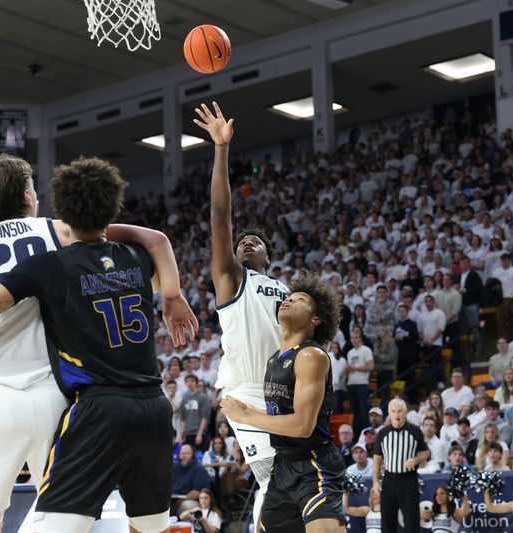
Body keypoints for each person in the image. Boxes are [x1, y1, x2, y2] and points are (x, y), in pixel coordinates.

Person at [0, 154, 190, 532]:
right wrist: (171, 294)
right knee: (72, 521)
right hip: (60, 399)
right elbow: (151, 239)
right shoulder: (61, 230)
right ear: (29, 196)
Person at [194, 101, 288, 526]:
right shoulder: (232, 278)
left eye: (256, 241)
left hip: (281, 392)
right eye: (241, 241)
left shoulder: (289, 291)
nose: (246, 242)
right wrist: (221, 150)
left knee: (289, 481)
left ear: (270, 255)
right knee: (272, 477)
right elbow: (220, 216)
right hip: (244, 391)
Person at [220, 274, 345, 532]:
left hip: (314, 463)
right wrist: (252, 411)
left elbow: (302, 426)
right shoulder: (274, 359)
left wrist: (246, 415)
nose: (289, 300)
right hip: (284, 465)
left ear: (315, 319)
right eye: (289, 297)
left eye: (300, 299)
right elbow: (279, 413)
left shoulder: (311, 355)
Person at [371, 399, 430, 533]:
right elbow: (377, 458)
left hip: (409, 480)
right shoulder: (383, 433)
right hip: (389, 479)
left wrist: (416, 460)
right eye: (393, 411)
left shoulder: (415, 431)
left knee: (411, 521)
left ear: (406, 412)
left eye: (399, 411)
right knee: (387, 520)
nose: (396, 415)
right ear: (389, 414)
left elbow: (426, 452)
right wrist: (375, 481)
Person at [346, 329, 374, 435]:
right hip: (351, 384)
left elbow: (371, 367)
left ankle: (367, 434)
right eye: (352, 337)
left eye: (355, 337)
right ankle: (357, 435)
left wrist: (354, 368)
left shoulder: (366, 350)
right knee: (354, 413)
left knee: (363, 411)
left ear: (361, 338)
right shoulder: (350, 353)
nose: (353, 340)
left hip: (362, 383)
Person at [172, 444, 212, 515]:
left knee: (188, 506)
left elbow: (197, 493)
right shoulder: (175, 466)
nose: (183, 456)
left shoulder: (199, 469)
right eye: (182, 453)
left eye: (186, 454)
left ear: (193, 455)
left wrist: (180, 501)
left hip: (189, 499)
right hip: (172, 497)